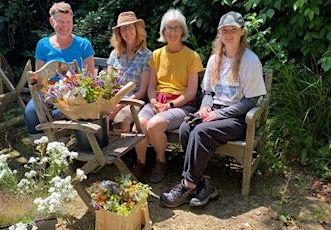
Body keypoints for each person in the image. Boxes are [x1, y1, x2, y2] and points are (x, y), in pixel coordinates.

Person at [160, 11, 267, 208]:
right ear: (219, 33)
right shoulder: (214, 59)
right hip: (214, 111)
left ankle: (188, 184)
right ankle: (204, 183)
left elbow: (251, 101)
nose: (228, 34)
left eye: (232, 30)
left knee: (201, 131)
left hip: (237, 118)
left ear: (242, 32)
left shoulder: (250, 61)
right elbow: (208, 91)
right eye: (224, 30)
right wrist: (205, 108)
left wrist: (218, 114)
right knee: (186, 127)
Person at [132, 8, 203, 183]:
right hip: (157, 102)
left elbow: (191, 93)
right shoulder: (156, 55)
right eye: (169, 28)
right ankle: (141, 162)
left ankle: (161, 161)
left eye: (177, 28)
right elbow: (151, 87)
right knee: (139, 125)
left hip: (181, 105)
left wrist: (169, 106)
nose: (172, 32)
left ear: (183, 31)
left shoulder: (192, 56)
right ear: (163, 31)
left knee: (155, 125)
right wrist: (154, 101)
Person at [23, 1, 95, 141]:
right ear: (52, 21)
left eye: (69, 22)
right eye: (61, 21)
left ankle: (59, 143)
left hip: (75, 94)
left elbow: (90, 78)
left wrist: (71, 92)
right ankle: (41, 148)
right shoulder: (43, 45)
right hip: (48, 93)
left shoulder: (83, 44)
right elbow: (39, 78)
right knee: (31, 112)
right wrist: (50, 92)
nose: (65, 26)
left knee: (58, 115)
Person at [106, 11, 152, 133]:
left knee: (120, 120)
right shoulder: (115, 54)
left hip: (134, 100)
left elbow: (142, 91)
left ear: (137, 29)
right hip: (114, 99)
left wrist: (122, 103)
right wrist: (113, 102)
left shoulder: (147, 55)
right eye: (122, 29)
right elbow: (109, 84)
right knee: (98, 115)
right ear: (119, 33)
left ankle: (122, 151)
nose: (126, 32)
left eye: (130, 27)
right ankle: (102, 149)